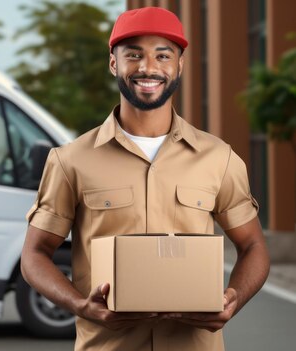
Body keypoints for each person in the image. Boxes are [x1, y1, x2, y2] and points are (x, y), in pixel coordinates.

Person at [20, 6, 270, 351]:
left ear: (179, 65)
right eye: (133, 55)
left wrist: (233, 300)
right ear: (114, 63)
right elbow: (34, 254)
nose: (148, 67)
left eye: (162, 55)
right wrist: (80, 306)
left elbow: (254, 246)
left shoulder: (218, 158)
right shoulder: (70, 160)